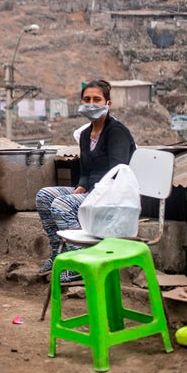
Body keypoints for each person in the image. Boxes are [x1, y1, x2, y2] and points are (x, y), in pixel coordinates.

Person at [35, 79, 136, 283]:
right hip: (91, 191)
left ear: (108, 104)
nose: (91, 103)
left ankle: (79, 263)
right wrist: (81, 185)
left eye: (97, 99)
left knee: (62, 204)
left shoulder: (116, 132)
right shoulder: (85, 134)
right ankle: (58, 255)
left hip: (111, 196)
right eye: (86, 99)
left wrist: (92, 192)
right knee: (44, 196)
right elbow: (85, 171)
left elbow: (118, 173)